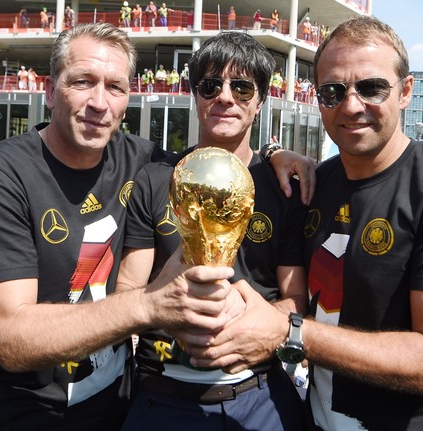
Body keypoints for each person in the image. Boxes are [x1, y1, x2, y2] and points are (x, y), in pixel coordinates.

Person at [0, 22, 314, 431]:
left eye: (115, 87)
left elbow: (217, 162)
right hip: (33, 414)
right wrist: (151, 305)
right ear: (49, 89)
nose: (99, 103)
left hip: (118, 404)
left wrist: (276, 153)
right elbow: (12, 340)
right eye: (83, 82)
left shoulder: (143, 159)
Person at [177, 15, 423, 430]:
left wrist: (290, 332)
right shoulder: (314, 185)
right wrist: (274, 154)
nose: (351, 105)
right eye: (333, 91)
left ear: (405, 91)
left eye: (371, 87)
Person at [119, 31, 307, 431]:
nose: (225, 97)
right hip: (162, 395)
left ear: (260, 102)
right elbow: (126, 293)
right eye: (211, 86)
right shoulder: (155, 181)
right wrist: (169, 309)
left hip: (258, 395)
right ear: (195, 96)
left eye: (241, 88)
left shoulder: (283, 188)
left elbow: (295, 299)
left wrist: (246, 327)